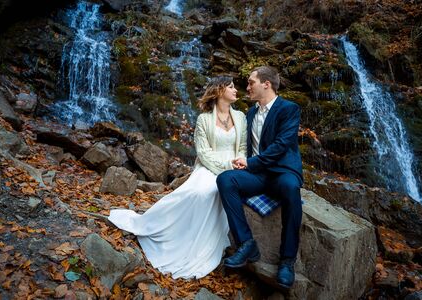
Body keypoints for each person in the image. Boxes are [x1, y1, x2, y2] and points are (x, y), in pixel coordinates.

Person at [108, 76, 247, 279]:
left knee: (219, 191)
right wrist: (225, 165)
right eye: (231, 87)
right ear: (219, 91)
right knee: (199, 192)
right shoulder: (204, 119)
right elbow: (203, 152)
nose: (236, 90)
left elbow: (242, 146)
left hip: (235, 168)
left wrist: (240, 161)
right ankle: (161, 227)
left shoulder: (241, 117)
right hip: (209, 168)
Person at [216, 66, 303, 289]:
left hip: (282, 172)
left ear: (266, 84)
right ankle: (247, 244)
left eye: (250, 82)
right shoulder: (251, 113)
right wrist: (239, 160)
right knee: (226, 180)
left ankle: (287, 261)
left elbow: (282, 145)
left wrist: (251, 162)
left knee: (291, 188)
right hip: (257, 175)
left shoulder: (289, 109)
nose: (247, 87)